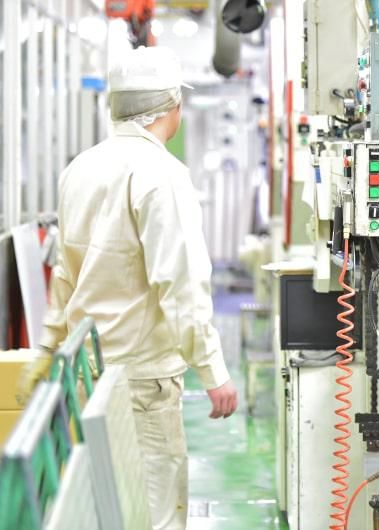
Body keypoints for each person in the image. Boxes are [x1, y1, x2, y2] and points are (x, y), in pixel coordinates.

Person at [17, 46, 237, 530]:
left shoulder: (79, 169)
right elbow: (180, 282)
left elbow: (65, 274)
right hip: (142, 378)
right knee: (153, 512)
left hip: (86, 370)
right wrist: (213, 370)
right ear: (171, 105)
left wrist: (48, 349)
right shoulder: (162, 175)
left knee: (97, 508)